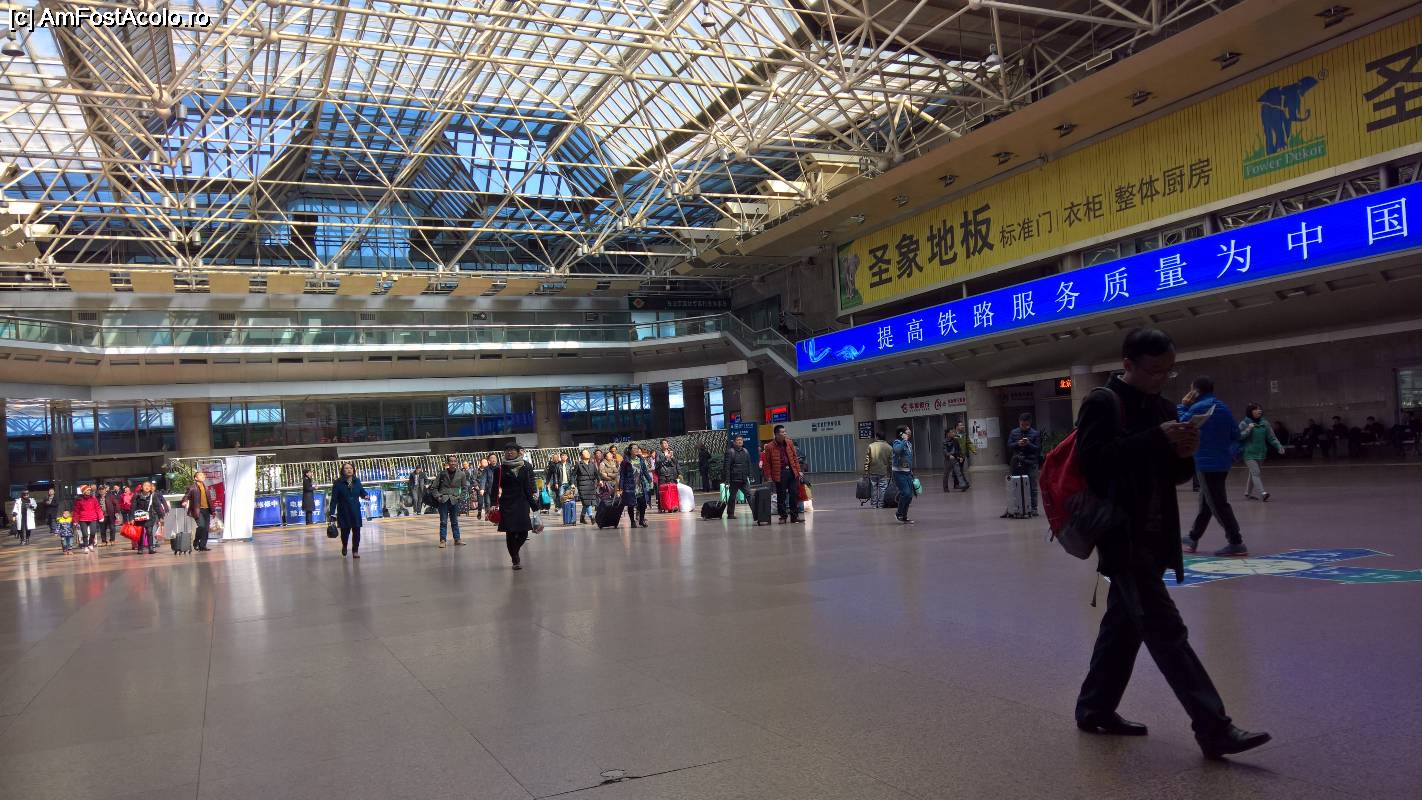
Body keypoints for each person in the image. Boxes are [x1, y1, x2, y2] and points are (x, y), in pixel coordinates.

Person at [1074, 327, 1270, 759]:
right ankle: (1213, 728)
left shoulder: (1163, 407)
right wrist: (1158, 438)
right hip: (1123, 537)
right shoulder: (1103, 403)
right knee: (1166, 630)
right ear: (1128, 364)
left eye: (1169, 370)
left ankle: (1094, 708)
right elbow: (1094, 464)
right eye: (1154, 370)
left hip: (1157, 534)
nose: (1162, 378)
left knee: (1124, 626)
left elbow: (1173, 475)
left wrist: (1183, 452)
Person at [1179, 376, 1249, 557]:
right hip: (1222, 462)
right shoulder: (1223, 407)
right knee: (1207, 502)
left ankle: (1236, 542)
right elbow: (1236, 434)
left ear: (1195, 391)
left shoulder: (1197, 407)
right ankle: (1193, 537)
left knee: (1217, 503)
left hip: (1206, 463)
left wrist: (1183, 405)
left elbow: (1180, 425)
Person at [489, 444, 537, 569]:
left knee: (524, 532)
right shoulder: (499, 469)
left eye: (512, 450)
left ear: (517, 452)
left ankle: (514, 551)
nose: (509, 452)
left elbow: (527, 488)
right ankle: (515, 559)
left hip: (522, 503)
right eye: (507, 450)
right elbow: (494, 488)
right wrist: (493, 503)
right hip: (507, 503)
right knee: (510, 532)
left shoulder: (524, 467)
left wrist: (535, 506)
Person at [1239, 404, 1285, 502]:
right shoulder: (1244, 423)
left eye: (1260, 409)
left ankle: (1247, 493)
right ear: (1250, 411)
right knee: (1256, 472)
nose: (1259, 411)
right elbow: (1239, 436)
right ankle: (1263, 493)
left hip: (1261, 453)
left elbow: (1271, 437)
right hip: (1248, 453)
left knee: (1253, 473)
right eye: (1256, 409)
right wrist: (1248, 429)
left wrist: (1279, 446)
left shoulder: (1265, 423)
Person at [761, 424, 803, 524]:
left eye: (785, 432)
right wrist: (768, 476)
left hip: (792, 472)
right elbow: (767, 463)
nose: (785, 433)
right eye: (782, 432)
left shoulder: (789, 442)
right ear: (776, 434)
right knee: (781, 496)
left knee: (794, 494)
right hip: (779, 473)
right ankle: (783, 516)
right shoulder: (769, 447)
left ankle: (794, 517)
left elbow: (794, 457)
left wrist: (798, 470)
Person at [331, 463, 368, 558]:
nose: (349, 470)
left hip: (355, 510)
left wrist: (365, 495)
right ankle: (344, 545)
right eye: (346, 468)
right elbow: (334, 499)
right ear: (342, 470)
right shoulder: (338, 483)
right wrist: (332, 513)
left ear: (353, 470)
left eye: (351, 468)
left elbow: (362, 491)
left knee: (357, 531)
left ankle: (355, 551)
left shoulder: (357, 481)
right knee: (345, 532)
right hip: (343, 511)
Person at [1009, 413, 1043, 516]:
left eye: (1026, 425)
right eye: (1022, 425)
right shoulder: (1014, 432)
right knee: (1016, 485)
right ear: (1019, 422)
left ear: (1030, 423)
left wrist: (1029, 444)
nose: (1024, 427)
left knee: (1032, 486)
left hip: (1031, 462)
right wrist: (1017, 444)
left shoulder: (1035, 434)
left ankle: (1033, 508)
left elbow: (1038, 448)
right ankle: (1018, 506)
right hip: (1017, 462)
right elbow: (1009, 445)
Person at [433, 455, 468, 548]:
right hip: (443, 500)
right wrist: (438, 497)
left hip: (455, 500)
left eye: (454, 461)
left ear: (457, 462)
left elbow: (465, 488)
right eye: (451, 461)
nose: (453, 463)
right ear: (448, 463)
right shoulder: (442, 474)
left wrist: (460, 498)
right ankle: (442, 540)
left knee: (455, 521)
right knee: (443, 521)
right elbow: (434, 487)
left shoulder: (461, 474)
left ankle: (457, 539)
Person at [619, 443, 653, 528]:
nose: (636, 450)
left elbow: (645, 471)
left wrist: (649, 480)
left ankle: (641, 520)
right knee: (631, 504)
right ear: (630, 450)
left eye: (637, 448)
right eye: (634, 448)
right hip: (630, 486)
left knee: (643, 503)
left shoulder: (640, 460)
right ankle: (632, 521)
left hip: (640, 485)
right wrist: (621, 487)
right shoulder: (625, 462)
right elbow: (622, 475)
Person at [181, 471, 214, 551]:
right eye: (200, 475)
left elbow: (209, 500)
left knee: (206, 529)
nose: (203, 476)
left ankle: (202, 546)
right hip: (198, 510)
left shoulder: (206, 487)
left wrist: (213, 511)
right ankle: (196, 542)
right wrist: (184, 501)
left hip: (207, 510)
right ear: (196, 478)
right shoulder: (192, 487)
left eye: (203, 475)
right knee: (201, 526)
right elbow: (186, 495)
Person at [131, 481, 167, 555]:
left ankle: (151, 548)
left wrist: (161, 516)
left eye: (148, 486)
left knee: (149, 532)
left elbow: (157, 506)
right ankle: (140, 548)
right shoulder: (137, 495)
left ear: (150, 488)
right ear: (142, 487)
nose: (147, 487)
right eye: (145, 485)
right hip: (139, 517)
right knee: (140, 533)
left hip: (149, 517)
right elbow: (133, 507)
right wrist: (131, 518)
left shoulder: (153, 495)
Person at [723, 434, 753, 518]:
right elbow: (727, 467)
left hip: (744, 479)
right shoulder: (730, 452)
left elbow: (749, 465)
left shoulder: (745, 451)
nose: (740, 441)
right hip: (734, 479)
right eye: (738, 440)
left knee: (749, 496)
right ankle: (730, 514)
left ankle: (756, 512)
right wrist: (727, 480)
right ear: (734, 442)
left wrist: (750, 476)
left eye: (741, 440)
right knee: (732, 497)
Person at [890, 426, 915, 524]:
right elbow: (897, 451)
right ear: (902, 433)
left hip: (907, 472)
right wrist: (904, 440)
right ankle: (898, 514)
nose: (910, 431)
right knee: (906, 493)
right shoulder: (897, 442)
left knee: (909, 495)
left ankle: (904, 516)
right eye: (907, 429)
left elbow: (909, 459)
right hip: (899, 473)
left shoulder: (909, 444)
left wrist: (911, 471)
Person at [864, 430, 892, 507]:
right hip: (883, 471)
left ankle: (874, 504)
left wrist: (866, 470)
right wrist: (891, 471)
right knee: (883, 488)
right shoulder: (889, 447)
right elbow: (891, 461)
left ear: (877, 437)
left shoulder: (871, 446)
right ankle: (881, 504)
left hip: (872, 471)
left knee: (873, 488)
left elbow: (867, 460)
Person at [946, 421, 974, 491]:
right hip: (955, 455)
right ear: (957, 427)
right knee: (959, 470)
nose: (962, 426)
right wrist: (950, 454)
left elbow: (968, 443)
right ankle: (964, 483)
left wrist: (973, 449)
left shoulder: (964, 434)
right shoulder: (953, 434)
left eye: (962, 425)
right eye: (960, 425)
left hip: (962, 455)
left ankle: (957, 484)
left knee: (958, 470)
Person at [73, 484, 102, 552]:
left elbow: (98, 508)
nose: (88, 491)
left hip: (93, 518)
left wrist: (101, 516)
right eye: (87, 490)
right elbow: (76, 511)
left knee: (93, 532)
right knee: (85, 534)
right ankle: (86, 546)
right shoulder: (79, 500)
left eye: (89, 490)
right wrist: (75, 520)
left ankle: (91, 544)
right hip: (83, 519)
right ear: (83, 492)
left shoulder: (93, 499)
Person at [573, 449, 599, 524]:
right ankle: (591, 517)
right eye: (585, 453)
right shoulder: (578, 464)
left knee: (587, 502)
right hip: (582, 486)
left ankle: (582, 517)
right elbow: (573, 475)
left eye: (588, 453)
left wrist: (599, 480)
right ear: (581, 456)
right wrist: (572, 483)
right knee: (587, 502)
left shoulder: (592, 464)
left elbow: (596, 474)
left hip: (591, 486)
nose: (588, 454)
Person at [654, 441, 680, 512]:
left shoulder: (671, 452)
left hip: (671, 474)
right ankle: (661, 507)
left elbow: (675, 463)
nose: (666, 444)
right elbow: (657, 462)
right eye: (664, 443)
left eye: (667, 443)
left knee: (671, 490)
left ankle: (671, 506)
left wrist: (672, 457)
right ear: (661, 445)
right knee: (662, 491)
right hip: (662, 474)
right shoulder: (658, 453)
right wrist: (665, 457)